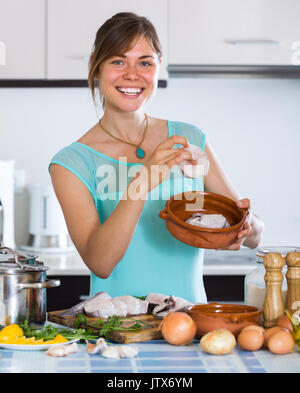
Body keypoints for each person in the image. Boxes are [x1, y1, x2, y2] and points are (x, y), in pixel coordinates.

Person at [49, 12, 264, 303]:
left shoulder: (190, 140)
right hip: (118, 329)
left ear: (158, 68)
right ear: (95, 67)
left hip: (189, 325)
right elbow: (100, 262)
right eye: (117, 61)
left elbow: (245, 226)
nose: (132, 74)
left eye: (145, 62)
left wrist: (249, 229)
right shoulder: (71, 163)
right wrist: (143, 180)